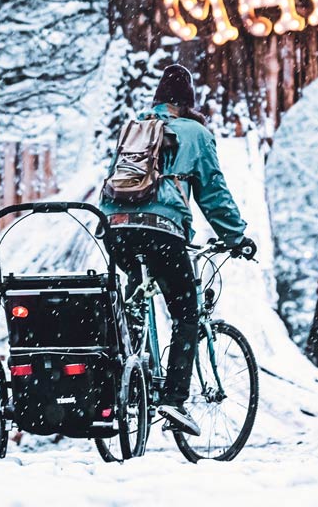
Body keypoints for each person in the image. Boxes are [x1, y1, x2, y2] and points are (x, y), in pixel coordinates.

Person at [101, 64, 257, 437]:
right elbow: (213, 192)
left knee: (136, 298)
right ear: (187, 103)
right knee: (187, 310)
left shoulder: (135, 128)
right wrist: (236, 237)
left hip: (116, 229)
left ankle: (127, 378)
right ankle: (173, 397)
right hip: (162, 233)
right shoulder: (196, 134)